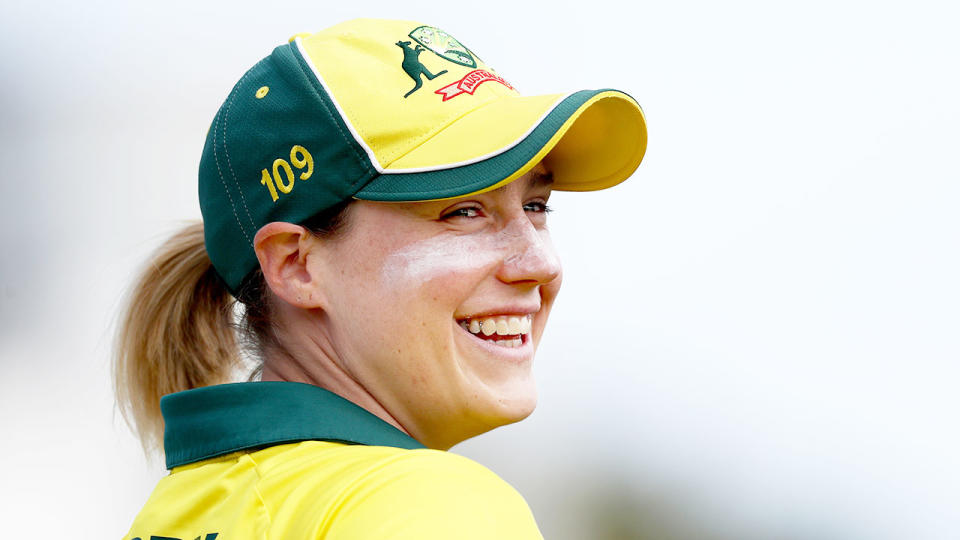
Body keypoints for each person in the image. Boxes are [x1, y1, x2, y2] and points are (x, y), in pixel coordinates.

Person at [116, 18, 647, 539]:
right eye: (464, 210)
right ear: (295, 265)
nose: (539, 264)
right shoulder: (437, 508)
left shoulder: (175, 512)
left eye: (536, 205)